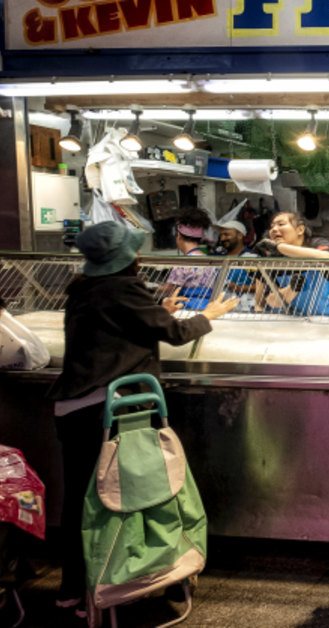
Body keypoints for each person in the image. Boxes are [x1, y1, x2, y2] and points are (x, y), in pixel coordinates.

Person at [45, 222, 237, 618]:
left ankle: (73, 590)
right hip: (108, 412)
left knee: (79, 501)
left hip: (73, 408)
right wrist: (209, 314)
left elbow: (118, 328)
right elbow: (178, 333)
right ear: (125, 258)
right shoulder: (124, 288)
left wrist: (155, 313)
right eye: (134, 252)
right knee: (118, 500)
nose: (139, 256)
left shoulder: (83, 289)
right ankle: (114, 586)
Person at [252, 211, 329, 316]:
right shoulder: (274, 261)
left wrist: (278, 247)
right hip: (304, 321)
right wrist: (291, 289)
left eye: (281, 224)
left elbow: (326, 257)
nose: (274, 229)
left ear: (300, 229)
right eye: (272, 226)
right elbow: (271, 300)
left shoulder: (316, 244)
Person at [159, 208, 217, 309]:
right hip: (207, 308)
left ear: (179, 236)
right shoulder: (209, 261)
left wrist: (153, 288)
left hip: (186, 309)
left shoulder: (183, 263)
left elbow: (168, 290)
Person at [215, 219, 258, 311]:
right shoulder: (218, 258)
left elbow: (261, 286)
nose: (222, 238)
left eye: (226, 234)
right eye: (221, 235)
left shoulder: (249, 258)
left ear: (240, 235)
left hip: (244, 310)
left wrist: (241, 288)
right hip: (219, 309)